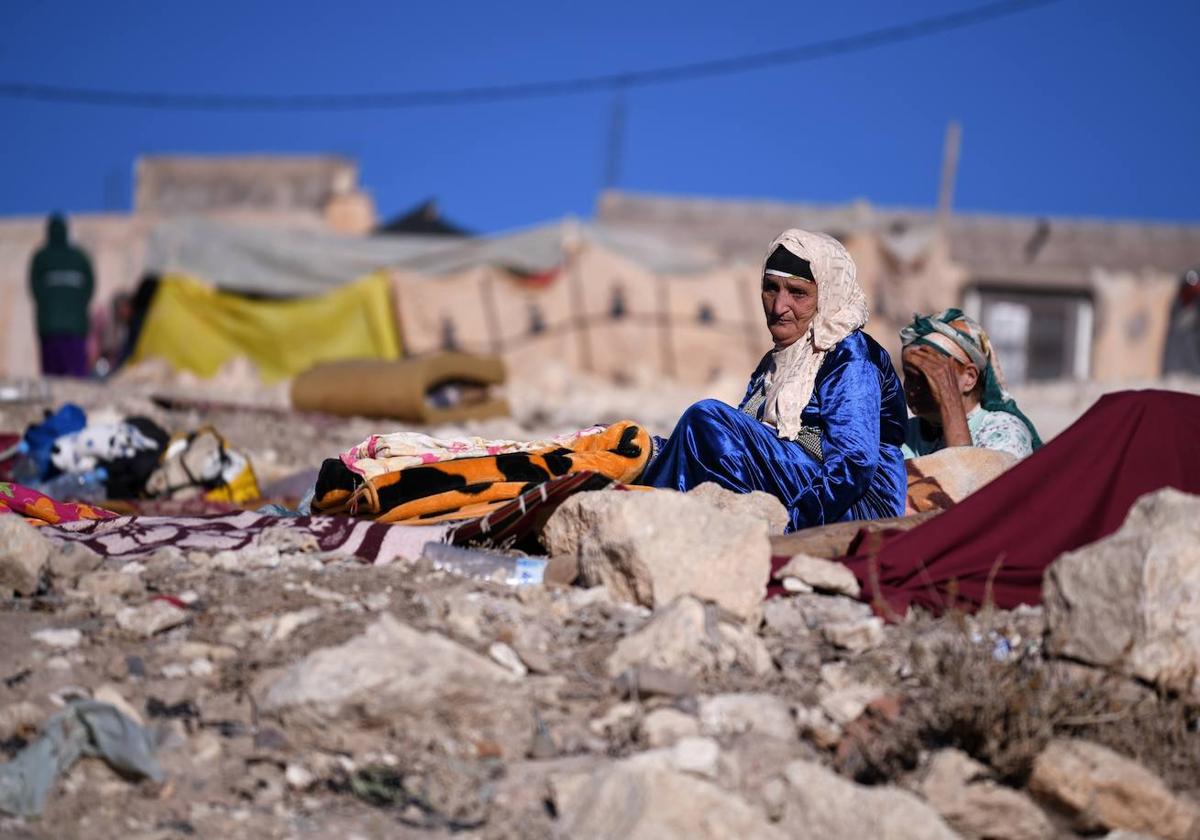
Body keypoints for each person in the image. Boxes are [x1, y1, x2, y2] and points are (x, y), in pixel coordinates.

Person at [640, 229, 908, 532]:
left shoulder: (849, 355)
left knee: (707, 419)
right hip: (799, 481)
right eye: (771, 289)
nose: (779, 307)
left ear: (828, 296)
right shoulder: (779, 361)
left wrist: (789, 527)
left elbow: (854, 464)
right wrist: (651, 448)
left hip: (854, 505)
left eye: (798, 293)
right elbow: (748, 432)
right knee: (694, 432)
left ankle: (681, 519)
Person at [900, 308, 1042, 460]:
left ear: (969, 377)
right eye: (909, 376)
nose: (912, 388)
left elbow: (969, 478)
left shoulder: (1005, 431)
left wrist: (949, 401)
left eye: (927, 377)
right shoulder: (902, 434)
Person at [28, 214, 94, 377]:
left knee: (52, 380)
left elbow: (34, 288)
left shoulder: (41, 257)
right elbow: (90, 287)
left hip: (50, 329)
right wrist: (78, 309)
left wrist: (48, 310)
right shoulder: (80, 257)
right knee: (77, 379)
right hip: (75, 329)